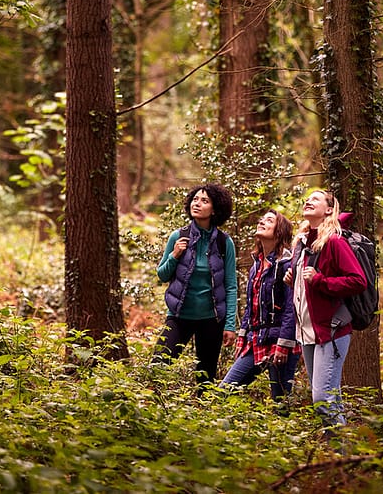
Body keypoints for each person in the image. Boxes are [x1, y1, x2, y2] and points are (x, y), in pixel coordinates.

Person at [285, 189, 366, 429]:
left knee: (323, 400)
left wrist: (320, 280)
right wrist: (294, 278)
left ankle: (343, 459)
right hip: (308, 333)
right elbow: (306, 287)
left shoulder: (334, 241)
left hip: (331, 331)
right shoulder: (301, 243)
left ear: (329, 210)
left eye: (316, 199)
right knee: (330, 399)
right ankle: (339, 458)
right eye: (307, 199)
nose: (309, 201)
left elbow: (357, 281)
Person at [154, 183, 238, 387]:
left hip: (211, 319)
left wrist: (229, 325)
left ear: (215, 209)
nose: (197, 204)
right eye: (195, 199)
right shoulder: (178, 236)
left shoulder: (224, 243)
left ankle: (205, 417)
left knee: (205, 379)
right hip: (179, 316)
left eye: (204, 201)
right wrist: (175, 255)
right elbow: (162, 275)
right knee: (157, 367)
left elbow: (230, 286)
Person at [220, 210, 300, 402]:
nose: (262, 222)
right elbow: (251, 305)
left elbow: (291, 308)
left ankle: (285, 432)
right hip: (256, 339)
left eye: (269, 221)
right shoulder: (256, 265)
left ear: (279, 231)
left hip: (280, 342)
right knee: (223, 392)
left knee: (281, 402)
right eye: (262, 219)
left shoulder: (287, 264)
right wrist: (242, 334)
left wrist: (283, 343)